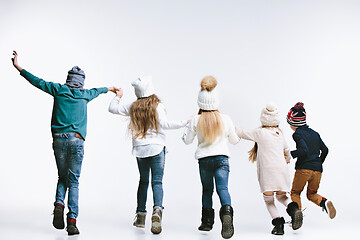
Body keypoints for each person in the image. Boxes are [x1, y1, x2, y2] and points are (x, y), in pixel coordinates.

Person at [11, 51, 119, 235]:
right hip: (77, 141)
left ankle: (59, 205)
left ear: (68, 79)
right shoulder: (85, 95)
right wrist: (110, 88)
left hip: (59, 139)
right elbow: (99, 90)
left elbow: (37, 81)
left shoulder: (58, 89)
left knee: (62, 177)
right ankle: (72, 221)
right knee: (74, 181)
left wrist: (18, 66)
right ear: (82, 82)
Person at [108, 76, 187, 234]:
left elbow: (112, 109)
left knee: (143, 181)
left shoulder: (133, 106)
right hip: (157, 147)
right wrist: (184, 122)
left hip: (141, 149)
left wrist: (117, 97)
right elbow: (164, 124)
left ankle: (140, 216)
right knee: (157, 182)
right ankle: (157, 211)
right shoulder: (157, 105)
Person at [182, 76, 239, 239]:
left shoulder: (196, 119)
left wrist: (185, 130)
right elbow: (234, 141)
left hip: (204, 160)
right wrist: (237, 133)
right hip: (222, 159)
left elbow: (187, 141)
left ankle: (207, 223)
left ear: (199, 102)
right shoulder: (225, 119)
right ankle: (227, 214)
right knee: (223, 189)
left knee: (207, 190)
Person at [236, 103, 303, 235]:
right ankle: (294, 210)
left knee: (269, 201)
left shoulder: (259, 132)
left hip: (267, 173)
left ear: (263, 119)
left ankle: (278, 226)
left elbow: (241, 134)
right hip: (281, 171)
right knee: (282, 196)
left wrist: (236, 128)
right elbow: (287, 150)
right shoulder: (280, 133)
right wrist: (288, 159)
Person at [287, 102, 336, 219]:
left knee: (295, 193)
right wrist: (318, 163)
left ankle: (296, 217)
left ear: (293, 123)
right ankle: (324, 202)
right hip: (317, 170)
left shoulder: (297, 134)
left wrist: (289, 155)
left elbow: (303, 150)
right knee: (312, 194)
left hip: (303, 169)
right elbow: (325, 150)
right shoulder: (315, 133)